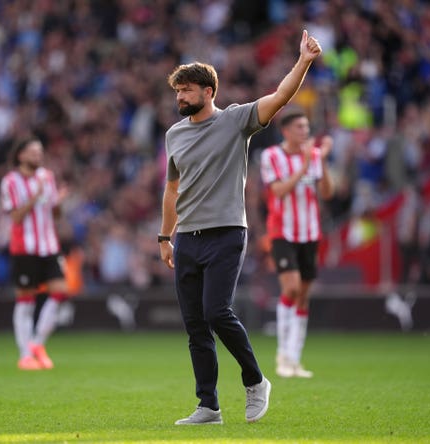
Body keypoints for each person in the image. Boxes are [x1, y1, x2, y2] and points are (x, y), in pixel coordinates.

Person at [159, 30, 323, 425]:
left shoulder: (235, 120)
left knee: (216, 312)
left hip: (227, 231)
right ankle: (208, 406)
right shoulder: (174, 135)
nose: (180, 97)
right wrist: (165, 236)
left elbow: (280, 97)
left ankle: (255, 381)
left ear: (209, 90)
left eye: (187, 90)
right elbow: (172, 189)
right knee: (195, 325)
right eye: (177, 91)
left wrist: (303, 61)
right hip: (186, 238)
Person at [260, 111, 334, 378]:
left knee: (303, 295)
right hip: (282, 232)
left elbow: (327, 192)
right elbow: (278, 191)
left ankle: (294, 358)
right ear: (286, 131)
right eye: (300, 126)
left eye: (306, 126)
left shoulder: (313, 156)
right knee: (290, 289)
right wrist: (303, 167)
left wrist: (322, 162)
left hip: (310, 233)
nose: (305, 131)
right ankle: (282, 354)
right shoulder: (271, 156)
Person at [0, 137, 69, 370]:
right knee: (26, 299)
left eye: (40, 152)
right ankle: (25, 355)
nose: (38, 156)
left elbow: (54, 215)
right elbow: (16, 217)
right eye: (32, 152)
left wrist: (58, 203)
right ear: (21, 155)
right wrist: (34, 197)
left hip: (48, 245)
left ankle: (37, 343)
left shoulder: (47, 177)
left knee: (60, 292)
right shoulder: (10, 182)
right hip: (25, 248)